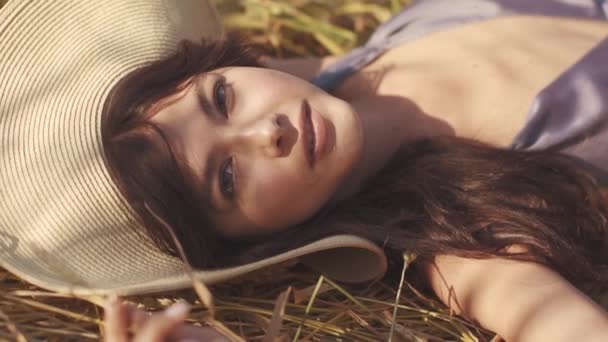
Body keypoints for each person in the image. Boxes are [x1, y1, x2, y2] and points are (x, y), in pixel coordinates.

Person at [1, 0, 607, 341]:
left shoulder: (348, 65)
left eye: (220, 99)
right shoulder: (464, 233)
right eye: (228, 179)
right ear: (251, 245)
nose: (267, 131)